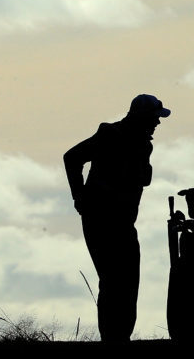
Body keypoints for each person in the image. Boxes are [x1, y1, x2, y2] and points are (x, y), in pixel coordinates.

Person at [64, 93, 171, 342]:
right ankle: (113, 340)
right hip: (101, 220)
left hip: (124, 223)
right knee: (114, 281)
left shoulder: (144, 144)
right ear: (143, 116)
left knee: (127, 281)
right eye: (155, 117)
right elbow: (71, 158)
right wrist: (79, 197)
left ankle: (120, 338)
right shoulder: (110, 135)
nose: (158, 123)